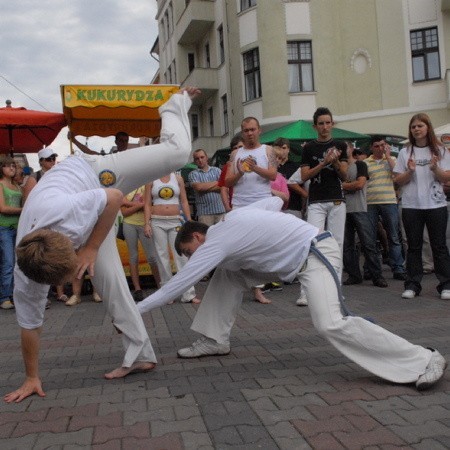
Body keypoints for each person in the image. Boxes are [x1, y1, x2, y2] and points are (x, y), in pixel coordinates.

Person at [4, 86, 201, 404]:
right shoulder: (27, 272)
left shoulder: (63, 212)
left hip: (98, 177)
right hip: (92, 214)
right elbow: (29, 326)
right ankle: (140, 355)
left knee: (177, 155)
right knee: (109, 283)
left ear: (69, 241)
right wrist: (31, 377)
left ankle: (173, 104)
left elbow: (113, 199)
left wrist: (92, 247)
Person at [137, 197, 446, 391]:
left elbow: (178, 284)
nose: (193, 259)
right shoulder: (230, 221)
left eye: (190, 252)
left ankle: (424, 359)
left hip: (315, 253)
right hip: (292, 260)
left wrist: (136, 310)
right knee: (228, 276)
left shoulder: (217, 240)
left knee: (330, 323)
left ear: (196, 235)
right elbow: (274, 200)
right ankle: (215, 339)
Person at [393, 113, 450, 300]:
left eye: (420, 126)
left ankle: (445, 285)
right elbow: (398, 181)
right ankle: (412, 284)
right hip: (412, 206)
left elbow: (446, 178)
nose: (416, 129)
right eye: (413, 127)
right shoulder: (404, 153)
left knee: (439, 246)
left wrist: (435, 168)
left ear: (428, 128)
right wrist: (409, 171)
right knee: (414, 247)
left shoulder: (440, 151)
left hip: (436, 205)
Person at [224, 116, 278, 304]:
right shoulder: (235, 154)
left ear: (259, 130)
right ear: (242, 131)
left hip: (262, 202)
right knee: (238, 247)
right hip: (240, 204)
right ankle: (238, 287)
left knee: (260, 246)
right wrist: (240, 171)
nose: (249, 133)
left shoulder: (268, 150)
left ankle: (258, 289)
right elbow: (227, 182)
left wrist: (254, 167)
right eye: (246, 130)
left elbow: (273, 175)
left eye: (252, 129)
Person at [297, 107, 348, 305]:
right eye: (321, 123)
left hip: (336, 199)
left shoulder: (340, 144)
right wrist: (323, 163)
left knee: (337, 245)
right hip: (316, 201)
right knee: (312, 244)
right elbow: (304, 176)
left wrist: (335, 163)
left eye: (328, 123)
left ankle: (336, 291)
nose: (325, 127)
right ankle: (306, 291)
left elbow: (344, 175)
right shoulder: (309, 148)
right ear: (315, 126)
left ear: (332, 124)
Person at [144, 172, 200, 304]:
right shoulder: (151, 179)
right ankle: (167, 295)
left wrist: (189, 220)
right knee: (162, 256)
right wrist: (146, 223)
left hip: (176, 220)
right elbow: (147, 204)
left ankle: (189, 294)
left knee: (181, 256)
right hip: (157, 221)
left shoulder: (178, 178)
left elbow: (184, 201)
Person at [342, 144, 388, 287]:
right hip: (342, 210)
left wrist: (341, 185)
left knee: (368, 244)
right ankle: (354, 275)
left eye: (345, 147)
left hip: (360, 208)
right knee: (347, 245)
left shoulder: (360, 164)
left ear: (351, 149)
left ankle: (377, 276)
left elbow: (360, 184)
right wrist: (351, 184)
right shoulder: (337, 168)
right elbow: (354, 184)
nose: (342, 151)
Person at [364, 136, 406, 280]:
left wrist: (388, 157)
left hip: (389, 201)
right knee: (370, 238)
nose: (381, 148)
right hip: (370, 202)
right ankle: (371, 268)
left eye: (383, 145)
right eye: (377, 146)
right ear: (371, 148)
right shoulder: (365, 162)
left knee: (393, 236)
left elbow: (397, 173)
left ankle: (398, 268)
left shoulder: (391, 160)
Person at [121, 185, 160, 302]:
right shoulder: (126, 188)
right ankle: (137, 289)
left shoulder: (148, 186)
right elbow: (124, 213)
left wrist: (130, 204)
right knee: (133, 257)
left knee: (152, 257)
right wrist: (141, 205)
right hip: (129, 224)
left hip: (145, 224)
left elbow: (150, 207)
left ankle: (160, 285)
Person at [0, 157, 22, 310]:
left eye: (13, 165)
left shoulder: (16, 185)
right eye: (7, 166)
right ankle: (4, 297)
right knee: (8, 262)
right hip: (4, 227)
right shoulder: (0, 185)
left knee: (17, 263)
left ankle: (15, 295)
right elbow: (3, 208)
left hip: (17, 227)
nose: (11, 168)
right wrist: (22, 210)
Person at [188, 149, 226, 225]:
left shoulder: (217, 170)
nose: (200, 160)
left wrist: (204, 187)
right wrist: (217, 183)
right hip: (204, 213)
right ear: (194, 161)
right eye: (197, 158)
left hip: (221, 211)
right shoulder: (193, 174)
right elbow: (198, 188)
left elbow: (223, 186)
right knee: (206, 236)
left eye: (202, 157)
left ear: (207, 158)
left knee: (222, 236)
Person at [273, 137, 307, 218]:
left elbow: (303, 186)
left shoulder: (296, 166)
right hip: (275, 208)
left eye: (284, 148)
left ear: (288, 149)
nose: (282, 150)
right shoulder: (271, 168)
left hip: (294, 206)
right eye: (279, 148)